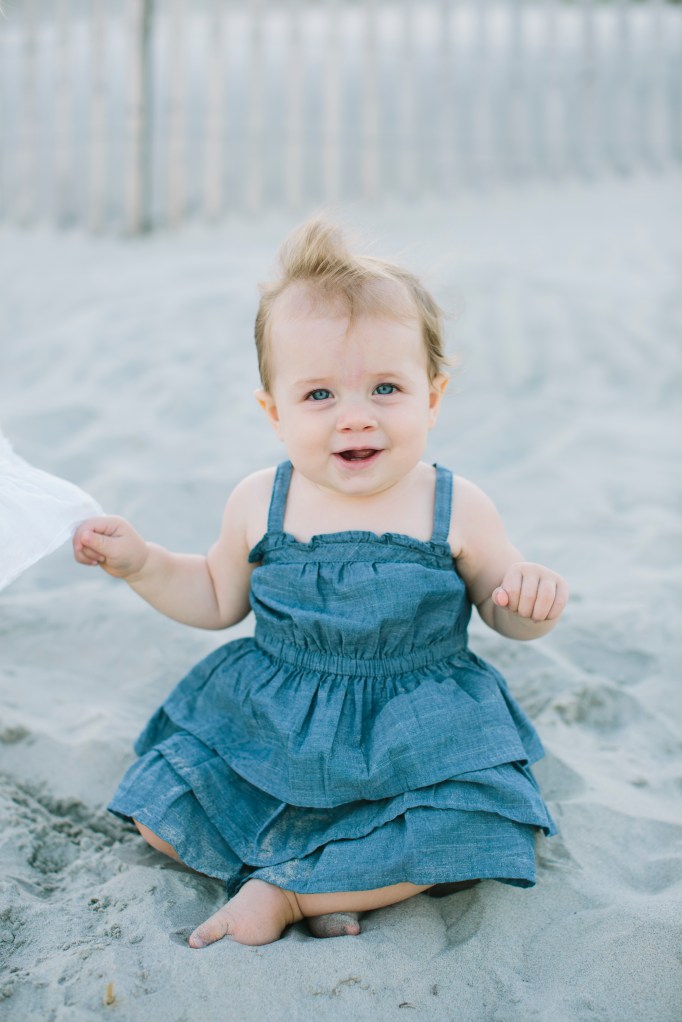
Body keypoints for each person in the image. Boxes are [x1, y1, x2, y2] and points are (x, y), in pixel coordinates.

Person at [73, 218, 568, 948]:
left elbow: (506, 610)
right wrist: (143, 564)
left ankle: (289, 895)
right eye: (319, 397)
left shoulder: (455, 504)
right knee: (163, 810)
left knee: (479, 824)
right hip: (278, 723)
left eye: (386, 388)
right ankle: (338, 881)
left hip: (415, 734)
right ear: (273, 411)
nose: (355, 417)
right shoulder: (258, 501)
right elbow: (215, 597)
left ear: (434, 396)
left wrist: (529, 601)